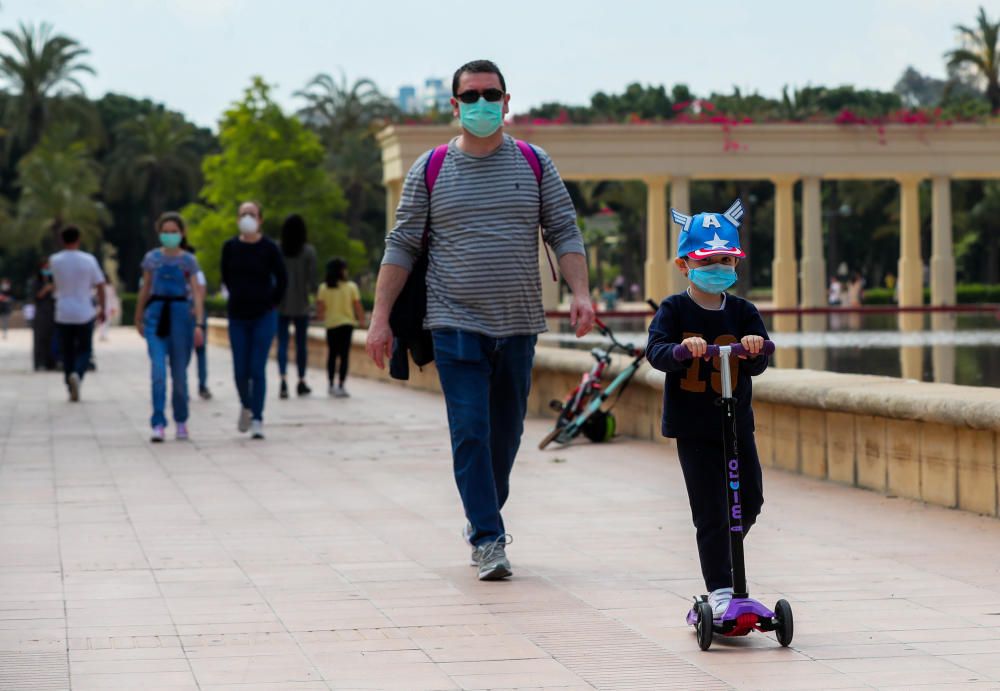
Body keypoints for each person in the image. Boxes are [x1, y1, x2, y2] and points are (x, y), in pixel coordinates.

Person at [366, 59, 594, 581]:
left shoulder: (536, 163)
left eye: (490, 94)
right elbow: (401, 244)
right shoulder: (431, 167)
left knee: (505, 435)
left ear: (507, 101)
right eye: (470, 96)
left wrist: (581, 293)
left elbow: (564, 230)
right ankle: (489, 539)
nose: (481, 104)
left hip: (517, 325)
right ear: (455, 105)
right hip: (453, 322)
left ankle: (482, 514)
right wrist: (380, 319)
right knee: (469, 429)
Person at [645, 200, 769, 619]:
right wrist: (683, 349)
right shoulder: (674, 310)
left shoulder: (743, 312)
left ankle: (725, 562)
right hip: (693, 427)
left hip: (737, 427)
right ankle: (719, 588)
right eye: (709, 260)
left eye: (726, 260)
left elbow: (760, 360)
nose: (719, 267)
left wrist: (754, 348)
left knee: (748, 501)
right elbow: (656, 351)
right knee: (711, 511)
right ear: (685, 265)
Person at [134, 212, 205, 442]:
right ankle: (158, 422)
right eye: (166, 231)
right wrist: (138, 317)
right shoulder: (152, 259)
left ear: (182, 233)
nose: (170, 235)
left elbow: (196, 292)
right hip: (156, 316)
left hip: (181, 318)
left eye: (174, 231)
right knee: (158, 372)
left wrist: (199, 324)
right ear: (159, 233)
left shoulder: (188, 261)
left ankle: (181, 419)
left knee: (180, 375)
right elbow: (145, 289)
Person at [221, 201, 287, 440]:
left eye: (251, 214)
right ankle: (246, 405)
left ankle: (257, 417)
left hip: (263, 315)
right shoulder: (229, 247)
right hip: (238, 315)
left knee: (257, 368)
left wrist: (272, 302)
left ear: (260, 219)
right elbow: (226, 276)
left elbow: (282, 278)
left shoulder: (269, 248)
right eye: (243, 214)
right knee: (240, 370)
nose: (247, 218)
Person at [50, 225, 106, 402]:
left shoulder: (55, 260)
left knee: (67, 351)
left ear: (62, 240)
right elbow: (100, 285)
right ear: (78, 239)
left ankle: (69, 383)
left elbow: (55, 282)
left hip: (63, 311)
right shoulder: (88, 260)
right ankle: (78, 374)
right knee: (85, 349)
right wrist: (103, 308)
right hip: (84, 311)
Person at [276, 213, 317, 399]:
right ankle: (301, 381)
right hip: (301, 304)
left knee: (282, 343)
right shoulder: (308, 251)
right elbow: (313, 280)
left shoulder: (277, 250)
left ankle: (283, 380)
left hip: (280, 303)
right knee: (301, 345)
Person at [316, 257, 364, 397]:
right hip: (347, 325)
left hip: (331, 325)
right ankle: (341, 385)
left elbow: (320, 310)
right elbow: (357, 307)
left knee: (332, 355)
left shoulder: (323, 288)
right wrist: (361, 321)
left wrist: (322, 316)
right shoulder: (351, 287)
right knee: (344, 356)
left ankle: (331, 384)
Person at [28, 260, 57, 370]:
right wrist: (45, 289)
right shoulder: (35, 282)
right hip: (41, 313)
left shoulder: (53, 281)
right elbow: (35, 297)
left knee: (52, 338)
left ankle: (51, 362)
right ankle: (39, 363)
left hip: (53, 313)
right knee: (40, 338)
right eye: (45, 268)